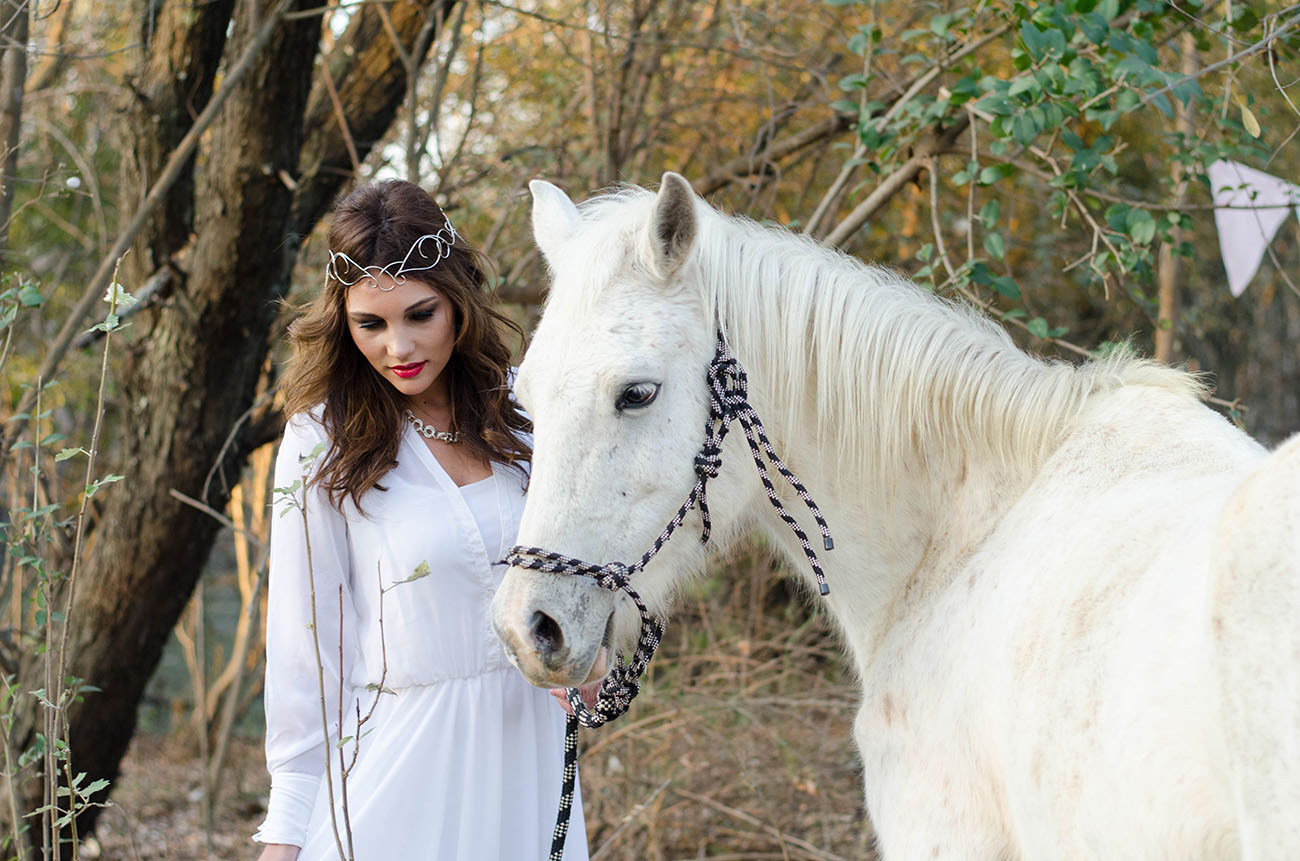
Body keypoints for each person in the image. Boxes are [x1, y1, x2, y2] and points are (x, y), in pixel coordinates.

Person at [253, 180, 588, 860]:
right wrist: (288, 825)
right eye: (370, 324)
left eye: (420, 313)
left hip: (530, 759)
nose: (398, 346)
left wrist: (591, 652)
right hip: (398, 772)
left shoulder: (526, 411)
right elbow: (304, 644)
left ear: (458, 303)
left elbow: (592, 568)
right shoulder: (323, 441)